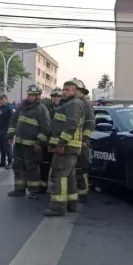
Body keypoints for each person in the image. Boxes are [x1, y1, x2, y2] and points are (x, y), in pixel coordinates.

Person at [45, 79, 86, 217]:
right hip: (68, 147)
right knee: (69, 176)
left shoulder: (74, 104)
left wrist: (61, 144)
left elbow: (71, 126)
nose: (63, 92)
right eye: (63, 89)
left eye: (67, 90)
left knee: (59, 175)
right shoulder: (70, 104)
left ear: (75, 91)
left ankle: (58, 207)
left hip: (67, 147)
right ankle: (71, 203)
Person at [7, 84, 51, 199]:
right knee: (17, 166)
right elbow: (13, 120)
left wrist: (39, 143)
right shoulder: (21, 107)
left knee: (31, 167)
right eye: (29, 95)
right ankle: (19, 188)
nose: (31, 97)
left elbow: (45, 127)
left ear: (38, 96)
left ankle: (33, 190)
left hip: (32, 145)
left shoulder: (41, 109)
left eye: (33, 95)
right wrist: (10, 135)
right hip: (19, 143)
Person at [72, 79, 95, 203]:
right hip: (70, 143)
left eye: (77, 90)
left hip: (81, 143)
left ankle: (82, 194)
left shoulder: (86, 105)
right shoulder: (71, 104)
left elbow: (90, 123)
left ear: (81, 92)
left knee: (81, 169)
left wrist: (85, 140)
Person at [39, 87, 63, 186]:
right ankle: (43, 185)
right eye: (53, 96)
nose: (56, 98)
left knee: (58, 166)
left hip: (60, 143)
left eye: (58, 96)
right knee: (44, 164)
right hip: (47, 142)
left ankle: (57, 186)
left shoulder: (65, 109)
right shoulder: (46, 109)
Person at [0, 94, 15, 169]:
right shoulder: (0, 108)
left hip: (6, 130)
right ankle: (2, 162)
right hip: (0, 130)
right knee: (1, 147)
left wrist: (11, 131)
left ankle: (10, 162)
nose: (0, 100)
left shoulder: (9, 108)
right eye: (0, 99)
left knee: (7, 147)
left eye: (2, 99)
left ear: (6, 99)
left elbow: (13, 119)